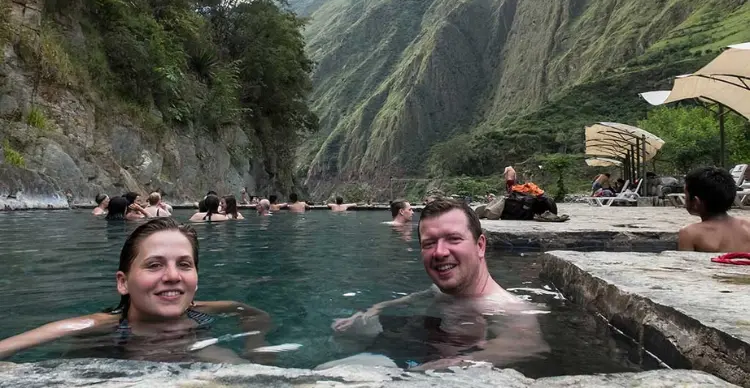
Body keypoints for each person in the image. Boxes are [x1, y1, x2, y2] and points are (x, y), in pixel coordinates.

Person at [0, 218, 270, 362]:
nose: (173, 276)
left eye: (184, 265)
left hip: (189, 348)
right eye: (154, 265)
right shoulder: (98, 325)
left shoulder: (203, 310)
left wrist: (255, 349)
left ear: (196, 279)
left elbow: (251, 314)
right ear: (123, 282)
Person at [332, 198, 548, 370]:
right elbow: (412, 298)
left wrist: (451, 366)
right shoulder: (440, 290)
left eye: (454, 239)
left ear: (480, 246)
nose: (440, 252)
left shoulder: (509, 308)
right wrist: (373, 310)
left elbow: (525, 346)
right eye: (430, 243)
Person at [678, 166, 750, 252]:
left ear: (696, 202)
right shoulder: (747, 226)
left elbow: (685, 263)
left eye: (686, 195)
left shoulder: (689, 233)